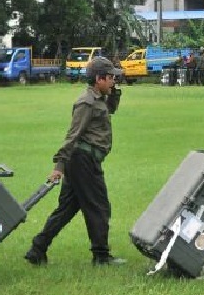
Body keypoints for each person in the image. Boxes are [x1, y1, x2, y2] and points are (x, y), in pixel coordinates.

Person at [25, 57, 127, 267]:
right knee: (99, 207)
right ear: (98, 79)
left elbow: (111, 109)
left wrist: (115, 90)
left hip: (83, 162)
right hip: (83, 162)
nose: (113, 81)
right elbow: (72, 135)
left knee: (67, 209)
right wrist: (59, 166)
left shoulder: (99, 98)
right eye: (110, 78)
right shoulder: (86, 102)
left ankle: (37, 249)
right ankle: (101, 255)